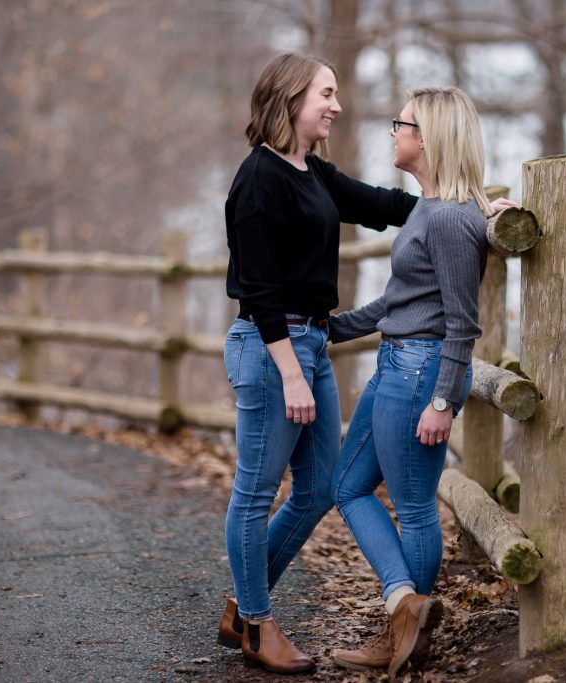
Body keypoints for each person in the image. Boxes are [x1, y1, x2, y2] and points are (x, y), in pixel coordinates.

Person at [217, 53, 423, 675]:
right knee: (255, 493)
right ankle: (258, 623)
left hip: (310, 343)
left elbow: (387, 205)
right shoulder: (258, 180)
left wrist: (461, 207)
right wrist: (289, 371)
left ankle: (243, 609)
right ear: (290, 99)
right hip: (268, 347)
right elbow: (257, 289)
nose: (336, 105)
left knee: (319, 487)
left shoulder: (310, 171)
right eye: (325, 94)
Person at [328, 86, 496, 680]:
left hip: (421, 372)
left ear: (427, 137)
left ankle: (404, 635)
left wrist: (444, 400)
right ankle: (404, 607)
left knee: (415, 508)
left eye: (399, 124)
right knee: (346, 486)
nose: (392, 133)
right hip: (395, 365)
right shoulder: (429, 207)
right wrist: (330, 328)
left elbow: (461, 323)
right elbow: (400, 302)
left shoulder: (449, 218)